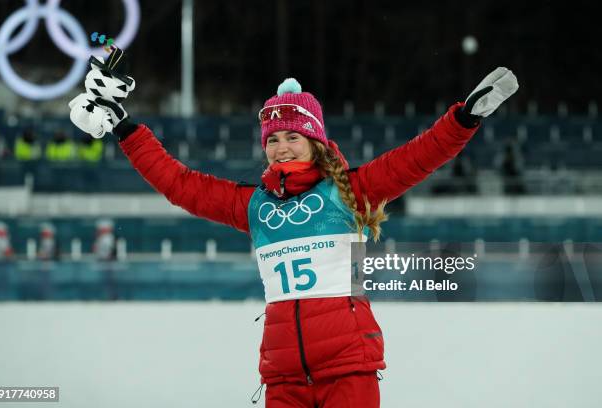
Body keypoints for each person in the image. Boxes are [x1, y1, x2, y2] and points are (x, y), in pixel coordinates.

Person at [69, 54, 518, 407]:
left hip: (349, 369)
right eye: (272, 139)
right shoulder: (253, 205)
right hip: (283, 375)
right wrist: (125, 129)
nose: (281, 147)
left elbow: (418, 157)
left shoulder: (351, 192)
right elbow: (179, 185)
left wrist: (463, 120)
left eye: (292, 137)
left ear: (315, 141)